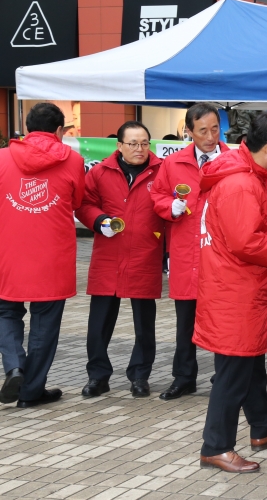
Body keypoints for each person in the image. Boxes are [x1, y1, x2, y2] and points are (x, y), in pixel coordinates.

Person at [194, 112, 267, 473]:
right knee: (234, 371)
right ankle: (216, 446)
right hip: (235, 290)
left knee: (251, 363)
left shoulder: (239, 175)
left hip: (235, 286)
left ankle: (264, 427)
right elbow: (247, 241)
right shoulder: (241, 183)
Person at [0, 103, 85, 407]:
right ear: (59, 131)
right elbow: (77, 201)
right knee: (44, 325)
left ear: (26, 127)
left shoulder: (2, 157)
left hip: (8, 251)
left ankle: (14, 367)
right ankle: (31, 391)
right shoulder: (73, 160)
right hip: (52, 254)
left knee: (5, 312)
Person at [76, 121, 165, 399]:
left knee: (144, 322)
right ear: (119, 145)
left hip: (145, 253)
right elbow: (84, 204)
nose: (140, 149)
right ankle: (98, 376)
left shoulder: (162, 171)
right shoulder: (100, 172)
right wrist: (99, 220)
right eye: (133, 144)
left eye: (144, 143)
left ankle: (140, 375)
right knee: (99, 322)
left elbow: (171, 204)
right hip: (108, 256)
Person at [150, 103, 228, 401]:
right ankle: (184, 377)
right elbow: (157, 194)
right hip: (186, 249)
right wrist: (170, 207)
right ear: (189, 132)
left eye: (215, 129)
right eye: (203, 131)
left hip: (221, 251)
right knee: (185, 320)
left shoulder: (232, 160)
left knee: (223, 318)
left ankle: (225, 374)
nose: (210, 136)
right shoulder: (174, 163)